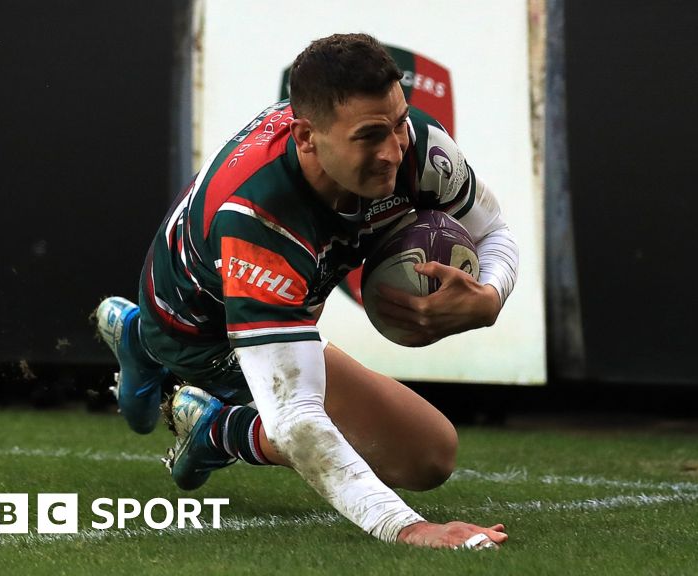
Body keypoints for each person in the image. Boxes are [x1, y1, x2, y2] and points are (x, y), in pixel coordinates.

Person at [95, 33, 518, 549]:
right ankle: (211, 422)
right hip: (199, 332)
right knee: (415, 454)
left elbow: (492, 230)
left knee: (432, 457)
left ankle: (149, 353)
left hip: (238, 284)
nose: (392, 151)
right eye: (369, 136)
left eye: (398, 123)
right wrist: (412, 528)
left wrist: (490, 294)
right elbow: (296, 418)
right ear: (306, 137)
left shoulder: (416, 144)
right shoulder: (260, 219)